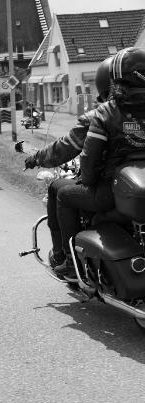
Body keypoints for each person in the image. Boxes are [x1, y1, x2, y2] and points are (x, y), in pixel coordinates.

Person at [54, 47, 145, 280]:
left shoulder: (106, 112)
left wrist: (88, 182)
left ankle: (71, 264)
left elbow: (89, 158)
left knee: (64, 195)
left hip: (110, 190)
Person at [24, 56, 113, 279]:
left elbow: (66, 148)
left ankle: (66, 258)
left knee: (59, 189)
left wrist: (36, 158)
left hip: (109, 188)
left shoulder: (103, 115)